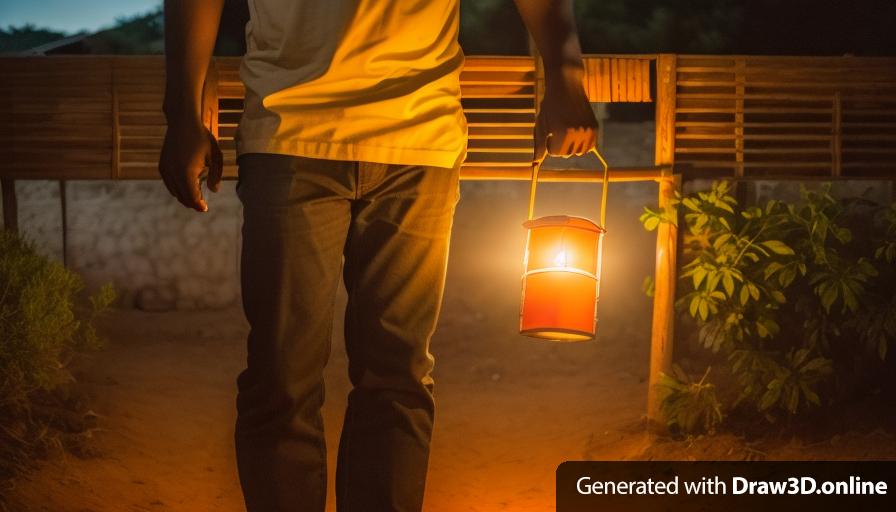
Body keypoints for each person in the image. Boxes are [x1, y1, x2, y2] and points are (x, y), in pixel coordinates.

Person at [158, 0, 598, 510]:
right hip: (292, 130)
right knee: (282, 376)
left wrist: (567, 79)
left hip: (418, 137)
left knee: (397, 378)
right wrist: (182, 114)